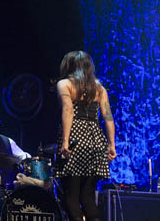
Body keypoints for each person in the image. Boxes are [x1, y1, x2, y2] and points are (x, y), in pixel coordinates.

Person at [55, 51, 116, 221]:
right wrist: (112, 144)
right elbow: (108, 117)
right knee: (88, 195)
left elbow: (68, 110)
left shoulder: (65, 84)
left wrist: (65, 141)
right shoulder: (99, 88)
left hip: (75, 138)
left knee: (71, 195)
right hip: (96, 140)